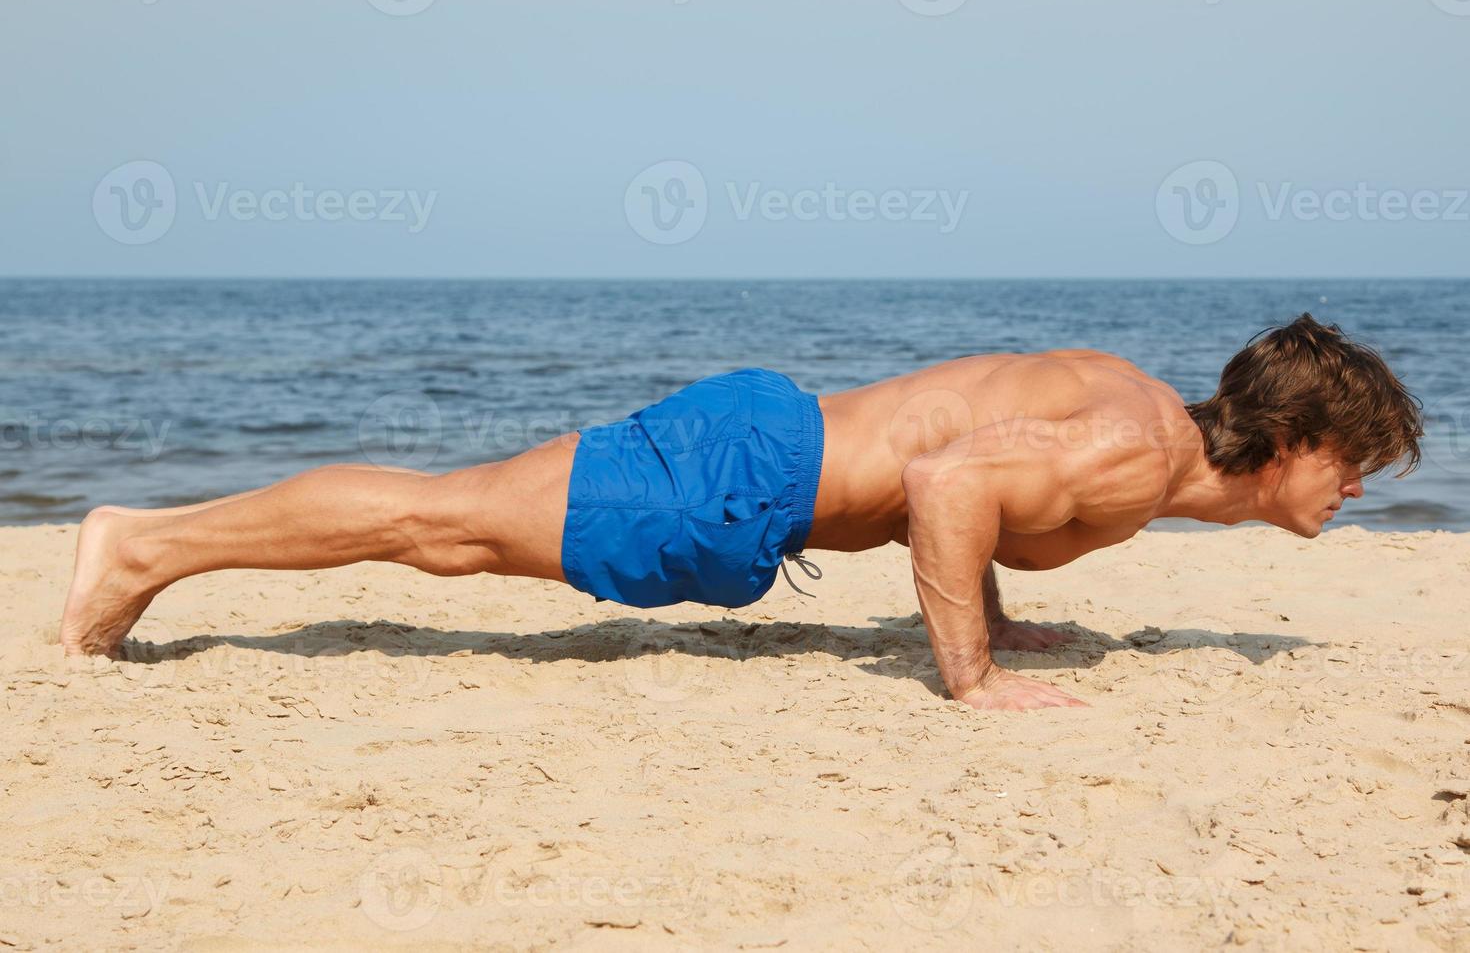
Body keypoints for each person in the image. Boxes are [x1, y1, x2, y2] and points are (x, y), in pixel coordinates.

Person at [59, 313, 1423, 710]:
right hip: (747, 481)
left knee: (451, 523)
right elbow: (948, 487)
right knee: (443, 524)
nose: (1354, 489)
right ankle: (145, 546)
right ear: (1294, 436)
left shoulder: (1127, 413)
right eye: (1351, 458)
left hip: (761, 448)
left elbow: (961, 471)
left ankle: (151, 549)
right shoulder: (1132, 462)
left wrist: (1002, 613)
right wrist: (970, 680)